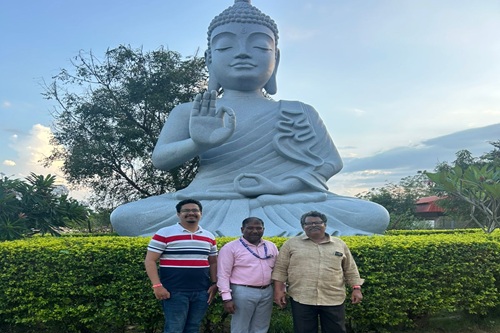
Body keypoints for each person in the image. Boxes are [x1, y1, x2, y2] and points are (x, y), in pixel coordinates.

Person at [110, 0, 389, 238]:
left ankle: (229, 229)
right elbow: (161, 160)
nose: (242, 52)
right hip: (209, 201)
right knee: (126, 217)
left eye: (259, 47)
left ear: (276, 58)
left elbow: (330, 163)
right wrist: (197, 143)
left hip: (283, 201)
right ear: (209, 60)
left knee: (372, 214)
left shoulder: (300, 111)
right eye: (225, 47)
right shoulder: (190, 110)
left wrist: (278, 186)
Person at [272, 211, 363, 333]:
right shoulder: (291, 244)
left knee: (336, 332)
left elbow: (350, 268)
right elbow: (280, 269)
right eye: (309, 223)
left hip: (333, 296)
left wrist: (356, 288)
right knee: (304, 332)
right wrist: (278, 291)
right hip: (302, 296)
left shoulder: (339, 244)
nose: (313, 225)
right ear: (303, 227)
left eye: (317, 222)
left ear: (325, 225)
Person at [144, 199, 218, 333]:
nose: (191, 213)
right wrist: (157, 285)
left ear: (201, 213)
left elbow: (213, 262)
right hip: (174, 292)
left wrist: (215, 283)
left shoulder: (209, 236)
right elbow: (150, 260)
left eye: (195, 210)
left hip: (201, 291)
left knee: (192, 329)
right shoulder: (165, 233)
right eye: (186, 210)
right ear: (179, 214)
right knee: (174, 330)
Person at [217, 217, 287, 333]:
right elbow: (223, 274)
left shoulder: (270, 246)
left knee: (260, 328)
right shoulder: (230, 248)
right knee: (240, 329)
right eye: (250, 228)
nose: (254, 231)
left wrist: (281, 291)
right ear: (242, 230)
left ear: (263, 229)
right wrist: (226, 298)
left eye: (258, 228)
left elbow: (278, 271)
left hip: (266, 291)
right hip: (242, 291)